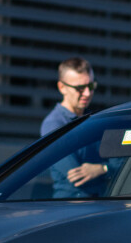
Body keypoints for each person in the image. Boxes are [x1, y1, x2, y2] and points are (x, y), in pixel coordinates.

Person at [40, 57, 109, 197]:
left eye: (90, 86)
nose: (87, 93)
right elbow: (77, 176)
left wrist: (102, 168)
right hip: (71, 207)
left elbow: (120, 159)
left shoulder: (94, 119)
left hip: (100, 203)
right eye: (80, 88)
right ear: (62, 87)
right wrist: (109, 168)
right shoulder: (54, 124)